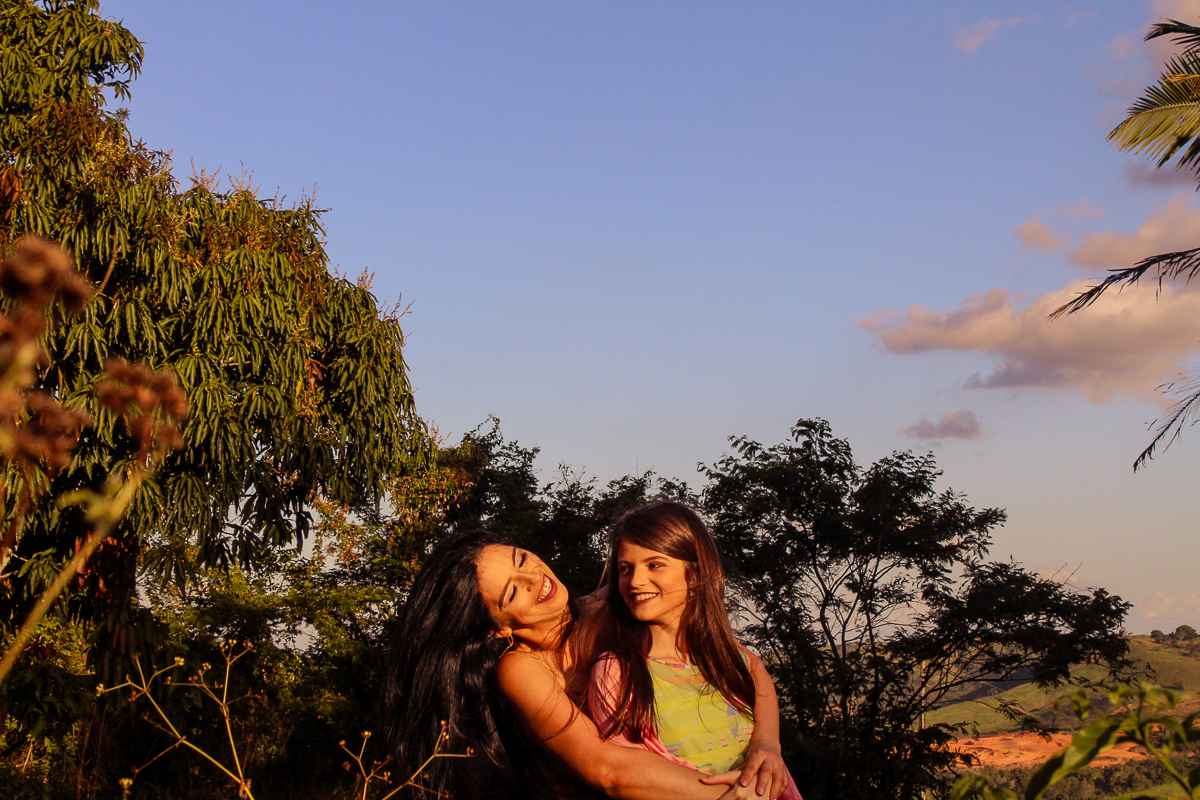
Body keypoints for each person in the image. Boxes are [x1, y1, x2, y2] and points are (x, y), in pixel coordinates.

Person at [383, 525, 788, 800]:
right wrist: (733, 794)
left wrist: (768, 745)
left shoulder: (617, 603)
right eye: (513, 592)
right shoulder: (523, 670)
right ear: (496, 628)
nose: (535, 578)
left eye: (522, 559)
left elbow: (745, 664)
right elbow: (606, 770)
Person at [584, 501, 800, 800]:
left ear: (695, 572)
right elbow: (632, 778)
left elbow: (759, 678)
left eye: (654, 565)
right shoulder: (618, 672)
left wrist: (768, 744)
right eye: (625, 569)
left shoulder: (727, 657)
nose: (635, 581)